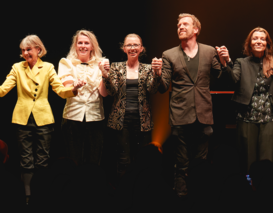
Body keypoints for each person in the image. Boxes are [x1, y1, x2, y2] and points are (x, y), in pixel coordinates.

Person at [0, 35, 84, 198]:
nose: (25, 53)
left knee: (43, 159)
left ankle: (41, 193)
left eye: (28, 49)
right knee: (25, 159)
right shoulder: (17, 67)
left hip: (43, 118)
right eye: (23, 50)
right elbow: (3, 90)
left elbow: (61, 91)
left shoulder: (47, 67)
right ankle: (27, 196)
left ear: (38, 50)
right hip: (22, 118)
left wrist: (74, 89)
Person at [152, 13, 230, 197]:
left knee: (201, 163)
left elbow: (222, 78)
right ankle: (181, 202)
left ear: (196, 29)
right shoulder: (169, 54)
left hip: (203, 116)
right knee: (181, 164)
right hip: (180, 117)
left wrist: (225, 61)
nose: (180, 27)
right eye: (178, 25)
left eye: (185, 24)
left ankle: (200, 199)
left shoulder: (210, 51)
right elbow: (163, 88)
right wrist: (157, 73)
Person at [102, 33, 160, 174]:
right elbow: (112, 91)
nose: (132, 48)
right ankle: (124, 192)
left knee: (143, 160)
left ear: (141, 48)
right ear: (124, 49)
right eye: (129, 45)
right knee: (123, 159)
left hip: (142, 121)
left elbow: (152, 90)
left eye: (136, 45)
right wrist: (105, 76)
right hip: (121, 121)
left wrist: (157, 73)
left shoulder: (147, 69)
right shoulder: (116, 67)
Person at [224, 27, 273, 174]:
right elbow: (233, 79)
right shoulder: (241, 62)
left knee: (267, 159)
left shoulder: (272, 62)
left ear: (267, 43)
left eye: (262, 39)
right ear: (250, 44)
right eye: (255, 38)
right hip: (247, 116)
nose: (259, 41)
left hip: (268, 117)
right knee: (248, 159)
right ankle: (248, 191)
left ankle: (266, 190)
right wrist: (226, 62)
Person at [58, 29, 108, 166]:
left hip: (95, 117)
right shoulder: (66, 63)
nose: (83, 46)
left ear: (92, 46)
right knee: (73, 161)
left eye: (86, 43)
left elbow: (104, 93)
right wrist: (74, 86)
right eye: (80, 43)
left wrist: (104, 75)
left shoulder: (102, 63)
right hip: (72, 117)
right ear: (75, 45)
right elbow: (66, 87)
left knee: (94, 161)